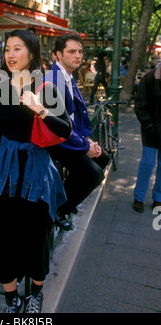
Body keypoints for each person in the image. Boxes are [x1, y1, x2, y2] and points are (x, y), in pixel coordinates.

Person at [0, 30, 72, 313]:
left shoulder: (45, 86)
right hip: (5, 173)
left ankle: (35, 296)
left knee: (36, 237)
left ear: (31, 53)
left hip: (36, 172)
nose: (11, 54)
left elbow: (65, 129)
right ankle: (11, 298)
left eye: (17, 49)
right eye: (7, 49)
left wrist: (41, 110)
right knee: (6, 238)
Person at [45, 32, 110, 229]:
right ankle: (58, 209)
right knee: (94, 174)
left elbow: (76, 117)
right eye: (72, 52)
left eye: (80, 51)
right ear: (58, 55)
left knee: (103, 158)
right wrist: (84, 145)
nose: (78, 56)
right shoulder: (53, 79)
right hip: (56, 141)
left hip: (70, 136)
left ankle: (66, 200)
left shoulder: (68, 76)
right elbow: (56, 125)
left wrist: (88, 141)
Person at [132, 64, 161, 213]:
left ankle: (158, 199)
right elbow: (140, 106)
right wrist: (149, 126)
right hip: (151, 130)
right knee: (147, 164)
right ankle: (139, 197)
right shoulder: (149, 78)